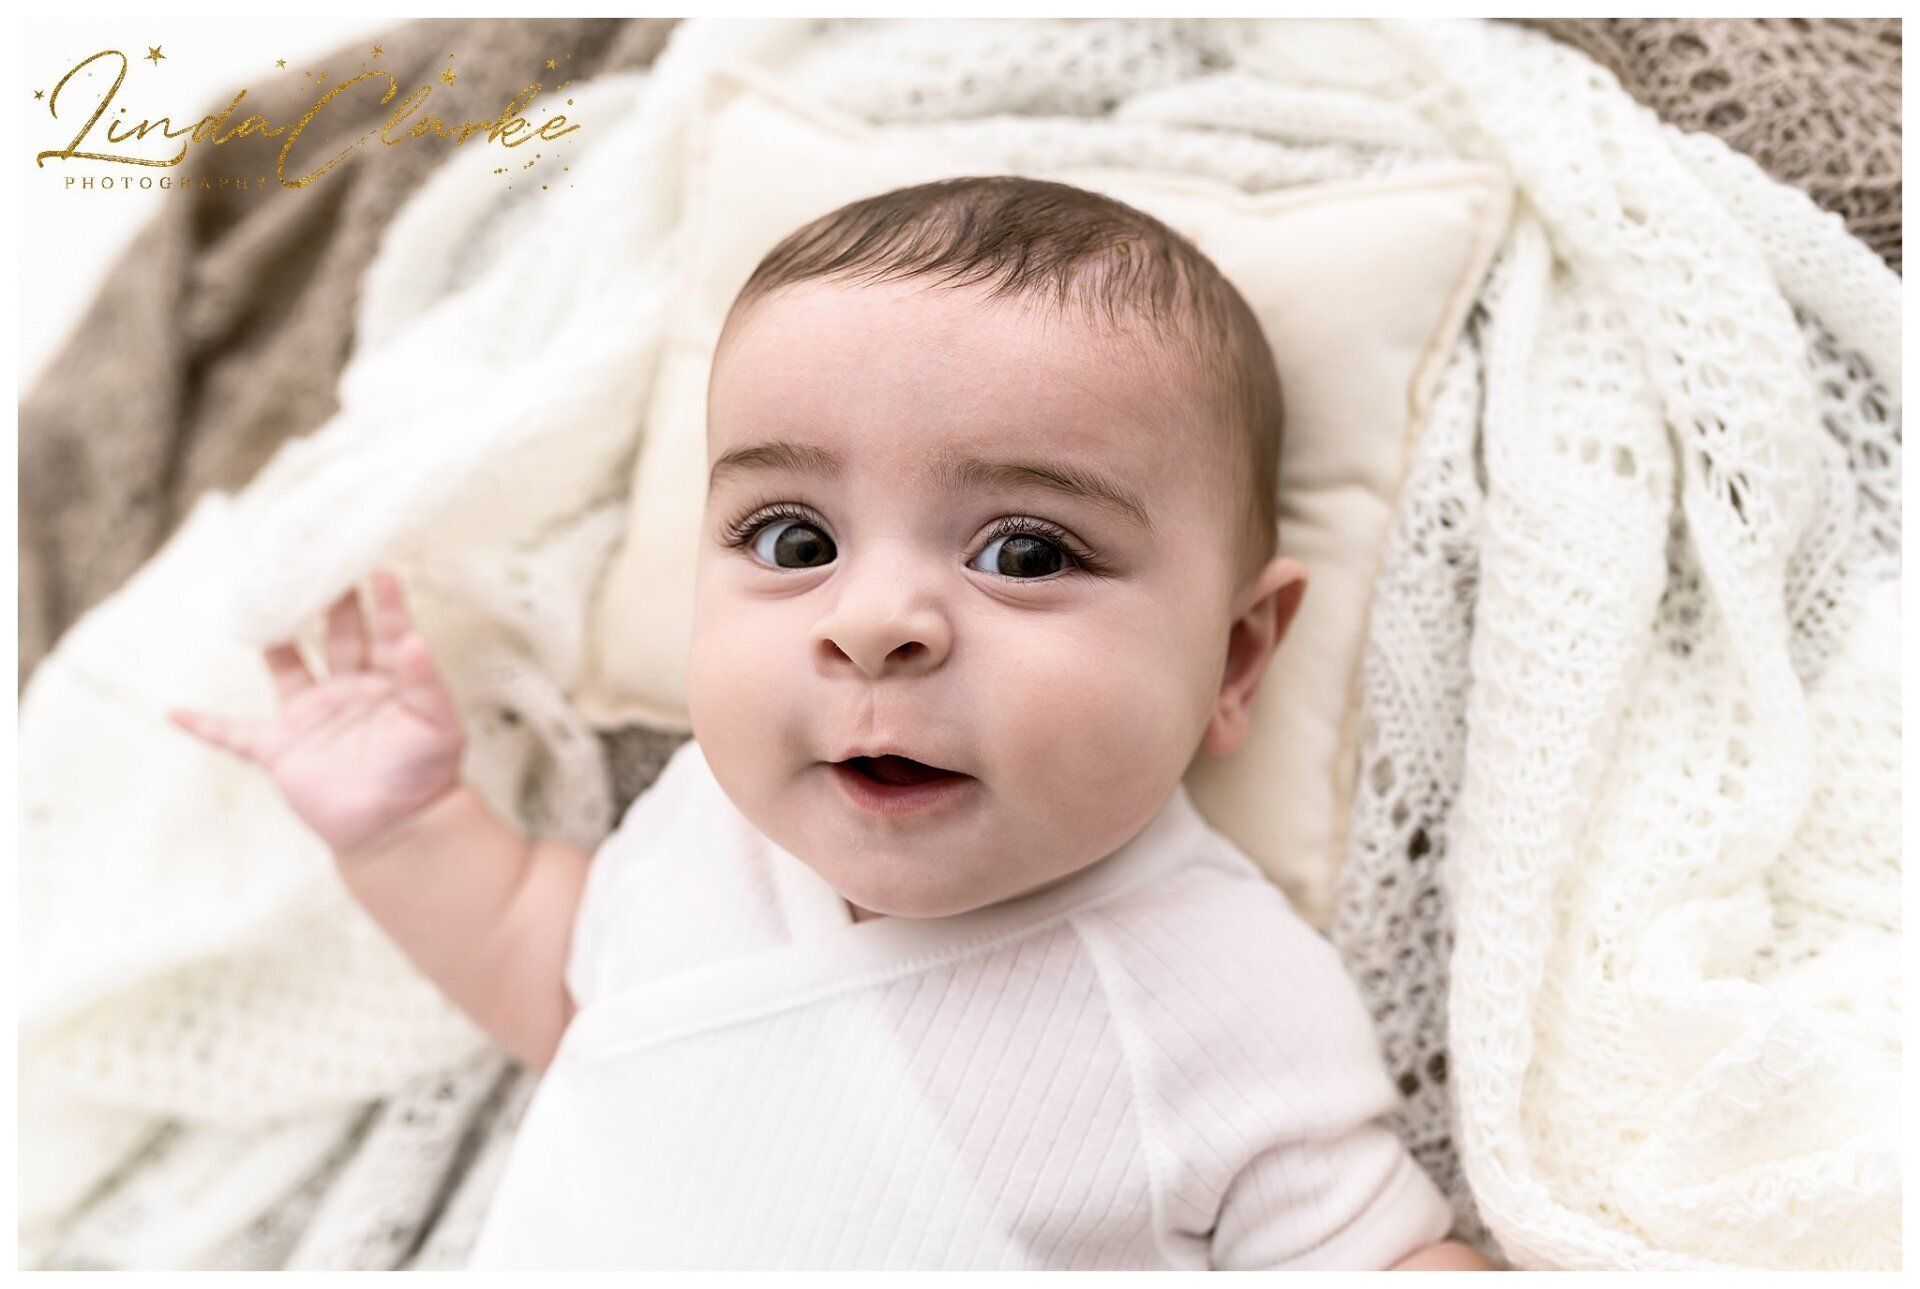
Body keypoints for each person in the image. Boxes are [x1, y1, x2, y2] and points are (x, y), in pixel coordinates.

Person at [170, 176, 1496, 1271]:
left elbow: (1369, 1251)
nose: (875, 623)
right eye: (793, 536)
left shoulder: (1216, 988)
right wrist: (407, 827)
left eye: (1027, 553)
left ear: (1235, 655)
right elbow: (546, 970)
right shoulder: (704, 825)